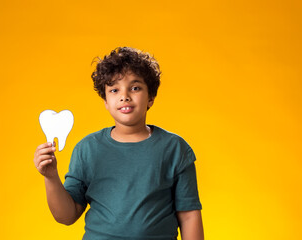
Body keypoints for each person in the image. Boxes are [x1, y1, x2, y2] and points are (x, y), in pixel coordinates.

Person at [33, 47, 204, 240]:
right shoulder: (87, 149)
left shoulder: (175, 149)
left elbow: (189, 216)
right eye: (114, 90)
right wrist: (51, 177)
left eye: (135, 88)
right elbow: (66, 216)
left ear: (151, 97)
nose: (125, 96)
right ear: (105, 101)